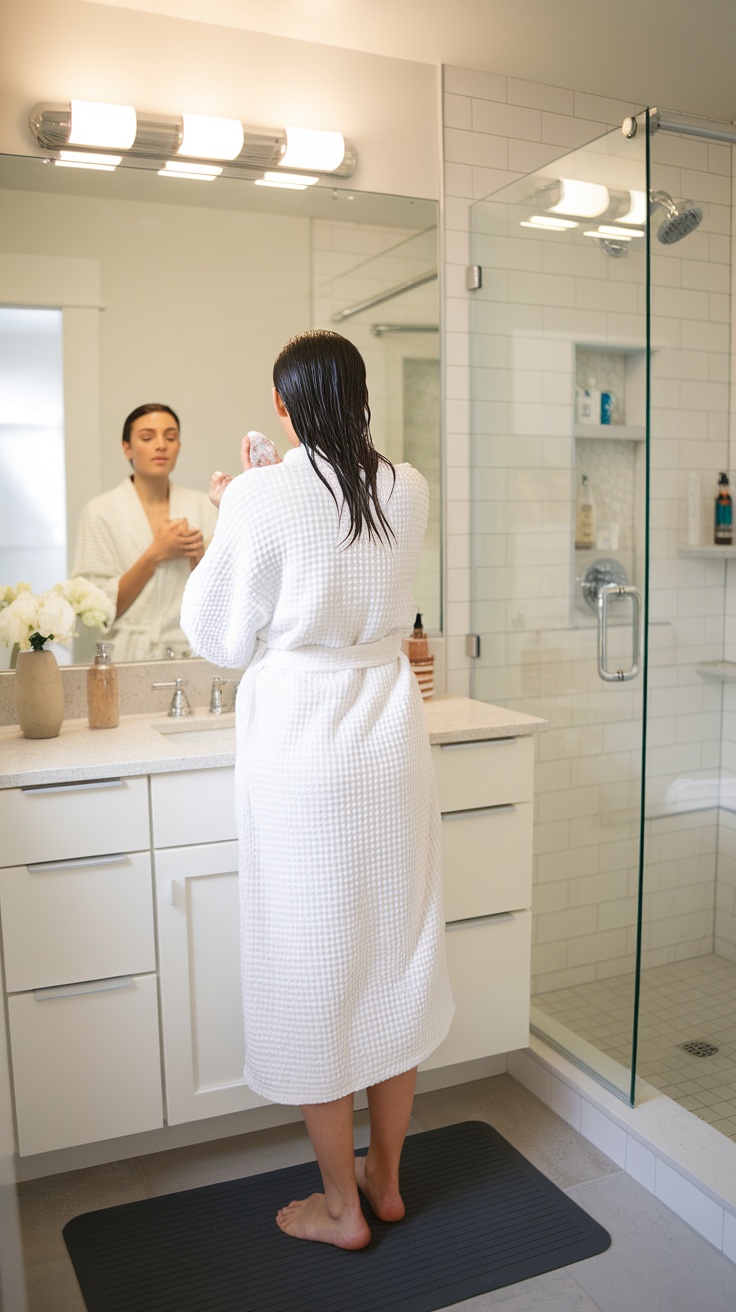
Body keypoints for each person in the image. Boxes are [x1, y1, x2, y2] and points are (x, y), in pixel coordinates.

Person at [180, 330, 454, 1250]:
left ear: (284, 405)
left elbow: (220, 634)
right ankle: (386, 1180)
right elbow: (345, 534)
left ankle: (339, 1208)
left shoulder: (261, 493)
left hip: (304, 747)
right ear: (362, 394)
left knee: (312, 965)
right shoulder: (407, 486)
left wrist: (233, 511)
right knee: (395, 953)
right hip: (388, 736)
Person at [73, 404, 218, 661]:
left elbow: (219, 597)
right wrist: (155, 553)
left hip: (189, 652)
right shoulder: (100, 512)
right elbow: (94, 610)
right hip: (124, 657)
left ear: (178, 446)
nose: (161, 445)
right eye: (148, 437)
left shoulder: (204, 506)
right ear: (126, 447)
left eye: (170, 437)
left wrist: (199, 561)